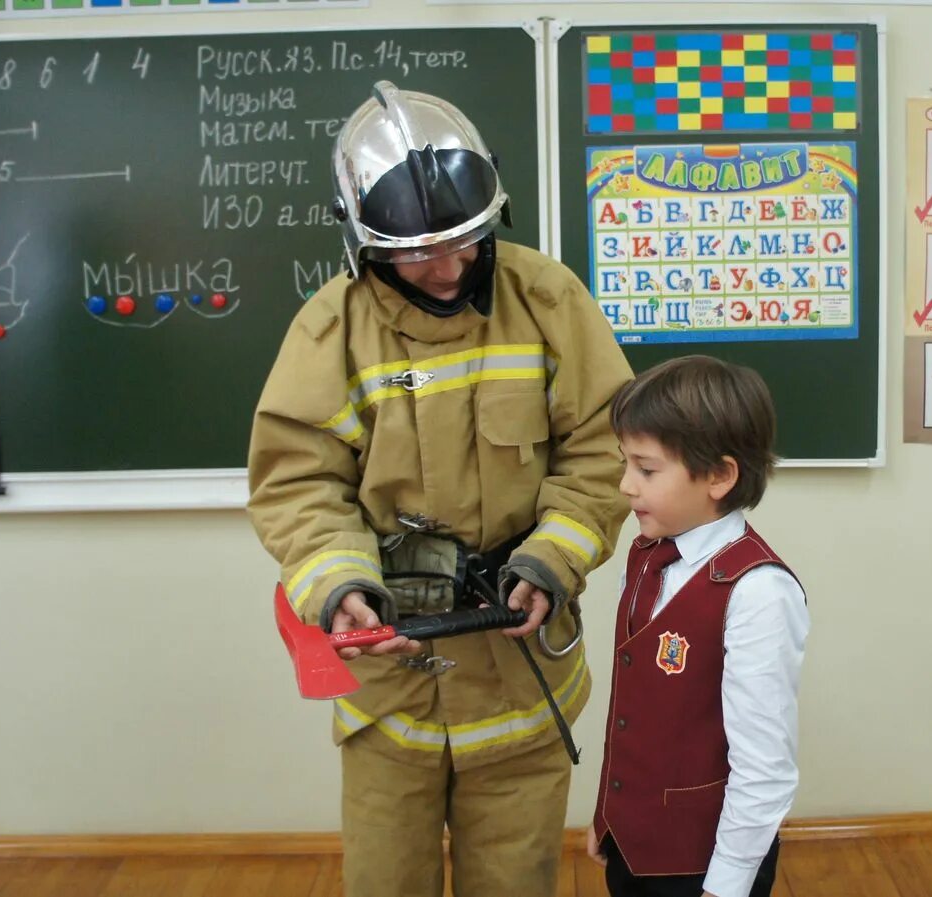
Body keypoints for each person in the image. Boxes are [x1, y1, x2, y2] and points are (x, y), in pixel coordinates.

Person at [247, 80, 632, 897]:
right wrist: (339, 586)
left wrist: (554, 558)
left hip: (522, 671)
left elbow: (604, 449)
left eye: (464, 240)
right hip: (392, 688)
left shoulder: (550, 302)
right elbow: (297, 483)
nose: (448, 266)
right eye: (418, 250)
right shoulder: (329, 331)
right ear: (362, 241)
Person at [585, 355, 809, 897]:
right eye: (625, 464)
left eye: (646, 469)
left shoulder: (757, 590)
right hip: (632, 841)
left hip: (704, 864)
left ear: (719, 476)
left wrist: (727, 884)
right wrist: (607, 815)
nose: (625, 486)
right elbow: (633, 711)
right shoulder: (645, 555)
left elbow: (764, 764)